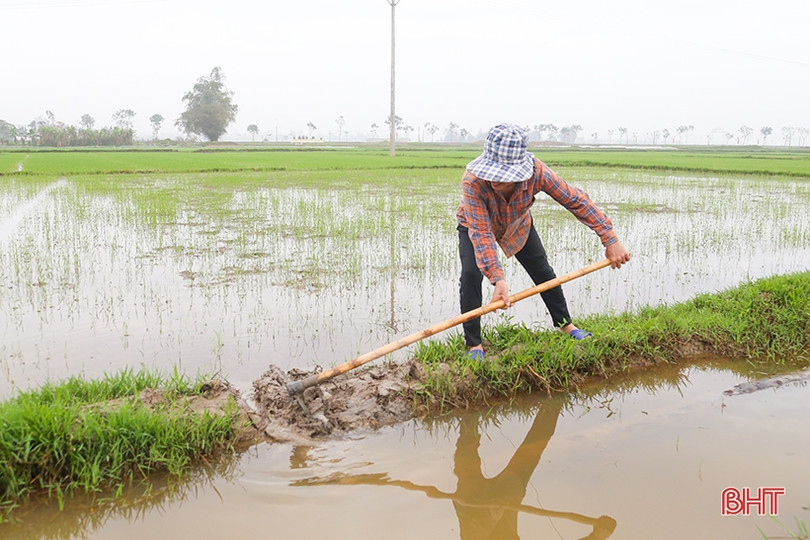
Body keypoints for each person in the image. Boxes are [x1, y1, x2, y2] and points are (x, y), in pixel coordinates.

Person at [456, 123, 630, 361]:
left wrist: (610, 239)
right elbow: (482, 232)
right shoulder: (473, 181)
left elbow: (575, 200)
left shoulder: (537, 173)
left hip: (518, 224)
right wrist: (498, 278)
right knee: (470, 275)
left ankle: (565, 325)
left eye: (502, 175)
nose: (495, 180)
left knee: (542, 270)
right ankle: (474, 344)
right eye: (492, 173)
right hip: (474, 226)